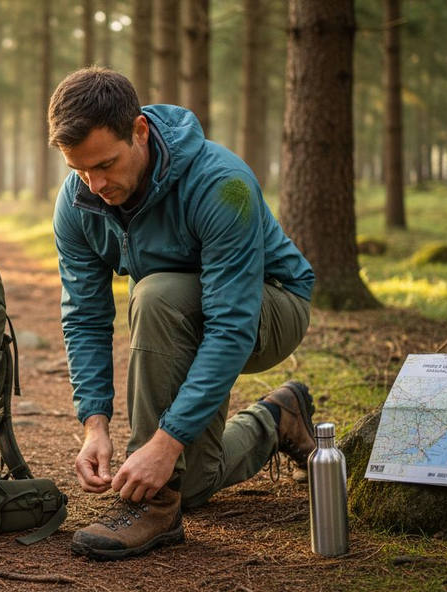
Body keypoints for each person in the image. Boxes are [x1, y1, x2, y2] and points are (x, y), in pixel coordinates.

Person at [49, 67, 318, 560]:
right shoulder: (79, 201)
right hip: (187, 318)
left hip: (270, 307)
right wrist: (95, 423)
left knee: (155, 295)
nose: (95, 184)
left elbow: (232, 325)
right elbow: (85, 315)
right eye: (80, 170)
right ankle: (277, 418)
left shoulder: (222, 185)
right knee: (194, 483)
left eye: (106, 164)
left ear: (140, 131)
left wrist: (165, 442)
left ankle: (154, 506)